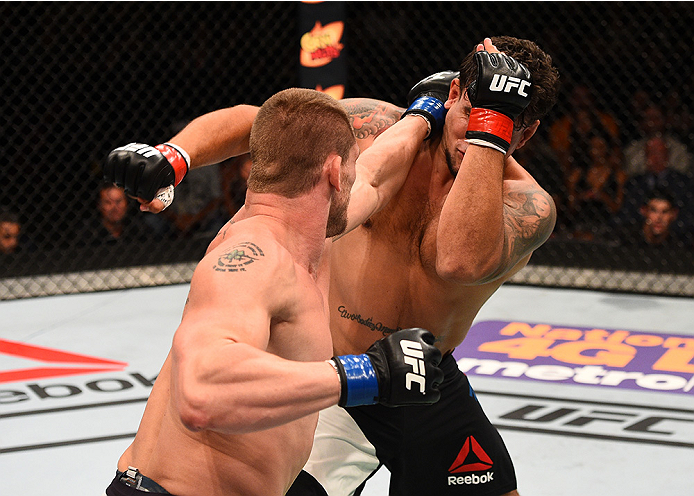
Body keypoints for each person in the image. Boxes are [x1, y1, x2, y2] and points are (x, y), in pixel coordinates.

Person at [104, 37, 561, 496]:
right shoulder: (373, 127)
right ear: (456, 94)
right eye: (470, 113)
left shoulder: (527, 205)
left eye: (506, 126)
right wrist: (175, 156)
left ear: (527, 132)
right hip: (326, 365)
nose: (471, 135)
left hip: (421, 372)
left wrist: (489, 125)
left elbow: (458, 259)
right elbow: (261, 122)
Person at [103, 88, 443, 496]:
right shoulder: (255, 257)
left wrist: (423, 117)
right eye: (351, 167)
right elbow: (202, 393)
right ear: (335, 173)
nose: (357, 178)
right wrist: (367, 375)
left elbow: (368, 170)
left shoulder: (304, 233)